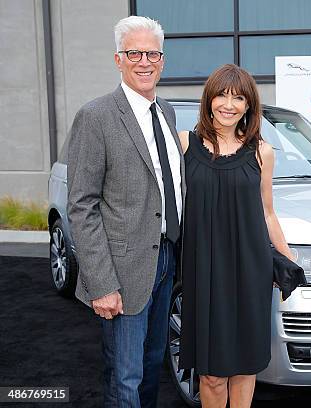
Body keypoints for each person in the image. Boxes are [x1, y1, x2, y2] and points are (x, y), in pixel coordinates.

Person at [67, 16, 185, 407]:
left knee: (153, 366)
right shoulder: (96, 116)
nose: (144, 61)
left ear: (163, 60)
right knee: (125, 376)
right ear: (118, 59)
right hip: (122, 269)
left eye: (152, 53)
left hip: (165, 259)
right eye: (134, 53)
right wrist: (101, 283)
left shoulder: (166, 113)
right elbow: (82, 205)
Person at [177, 64, 295, 408]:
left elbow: (267, 212)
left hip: (250, 271)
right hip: (204, 273)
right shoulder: (185, 143)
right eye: (222, 95)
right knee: (211, 375)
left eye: (238, 97)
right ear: (209, 99)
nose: (229, 105)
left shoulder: (262, 152)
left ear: (248, 106)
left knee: (245, 368)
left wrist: (286, 259)